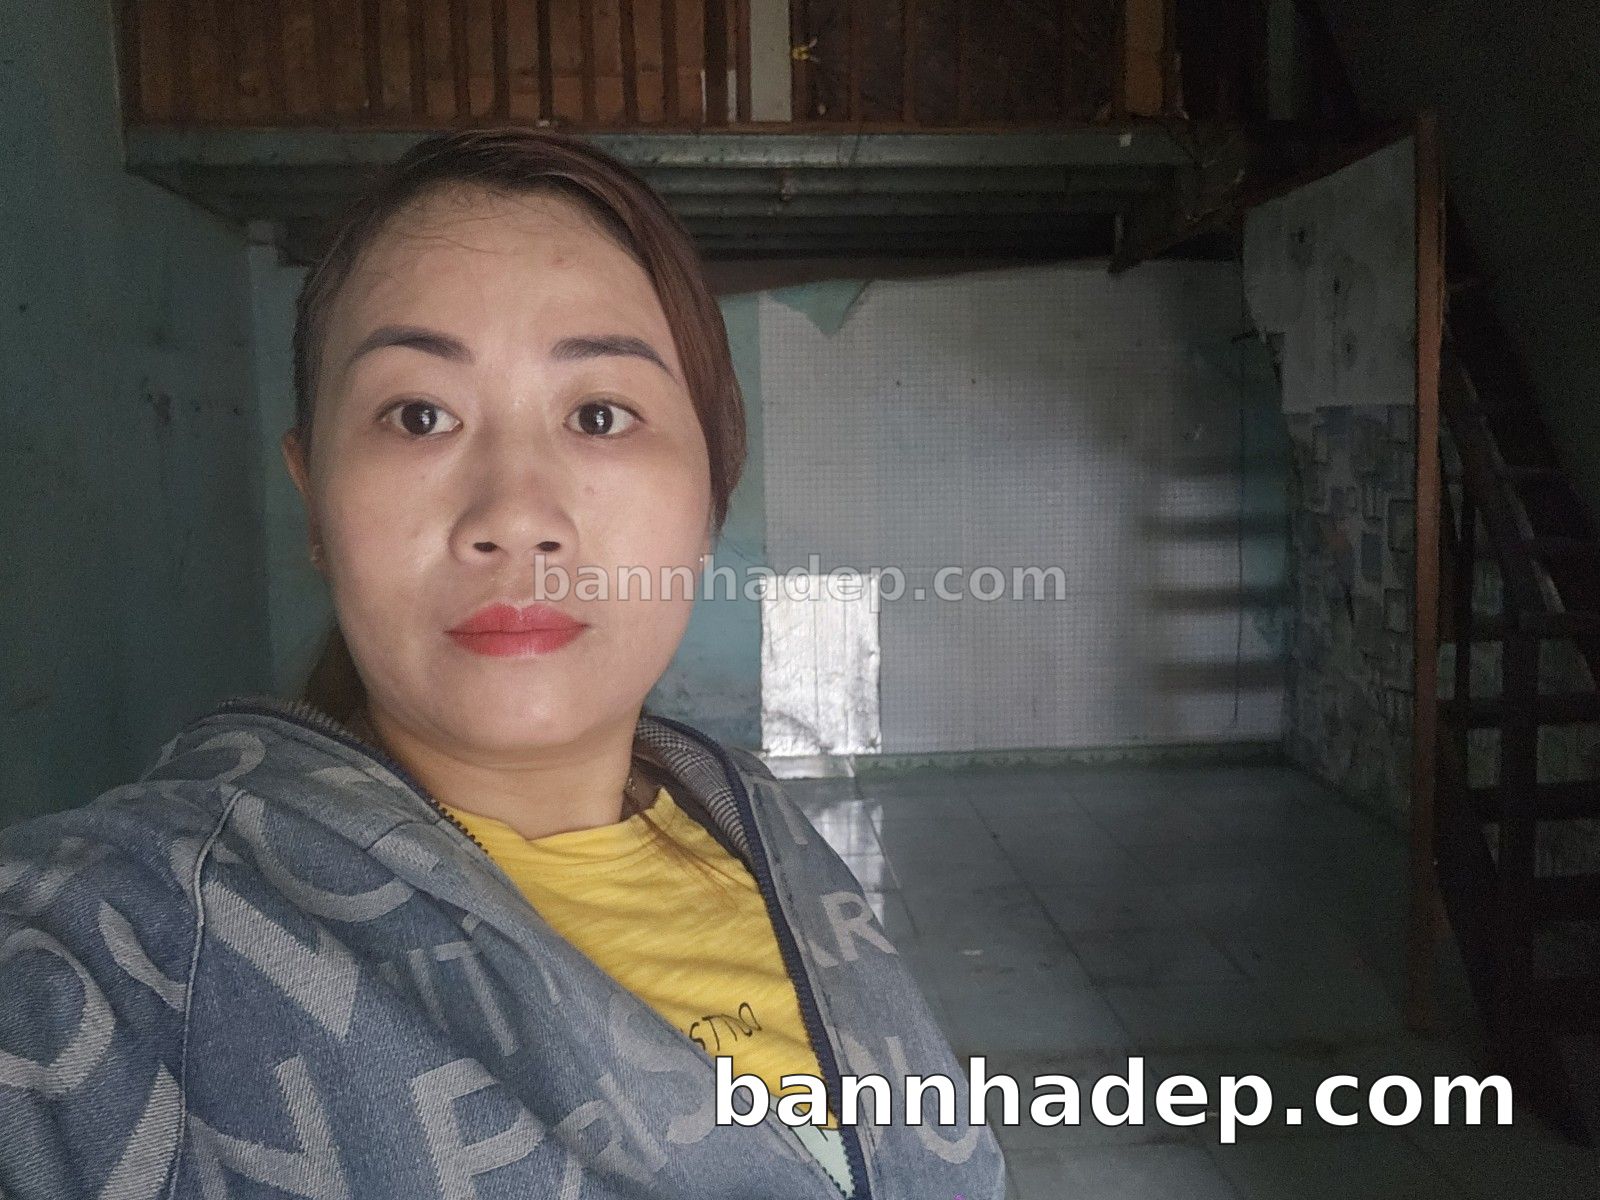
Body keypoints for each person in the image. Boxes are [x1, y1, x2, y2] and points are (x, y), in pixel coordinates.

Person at [0, 128, 1006, 1199]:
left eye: (600, 415)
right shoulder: (117, 950)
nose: (515, 516)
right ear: (315, 501)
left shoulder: (759, 822)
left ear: (709, 499)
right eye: (419, 416)